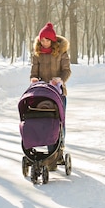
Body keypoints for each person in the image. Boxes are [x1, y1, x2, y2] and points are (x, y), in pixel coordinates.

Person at [30, 22, 71, 155]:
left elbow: (67, 71)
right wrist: (34, 78)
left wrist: (60, 79)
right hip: (43, 91)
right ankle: (49, 148)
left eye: (46, 40)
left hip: (58, 91)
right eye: (42, 40)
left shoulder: (61, 53)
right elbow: (34, 71)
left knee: (59, 120)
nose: (44, 42)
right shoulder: (37, 53)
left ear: (52, 40)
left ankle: (60, 146)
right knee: (46, 119)